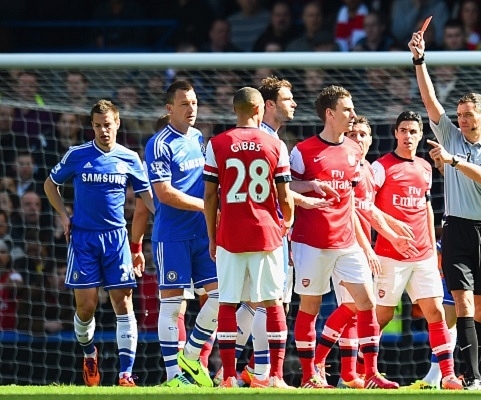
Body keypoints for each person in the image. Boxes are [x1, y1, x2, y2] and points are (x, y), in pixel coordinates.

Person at [410, 29, 481, 390]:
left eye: (469, 114)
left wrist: (452, 161)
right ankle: (472, 377)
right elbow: (429, 100)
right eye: (460, 115)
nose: (463, 120)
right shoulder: (450, 133)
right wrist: (419, 60)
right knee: (464, 304)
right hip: (456, 229)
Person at [289, 85, 398, 389]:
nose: (352, 114)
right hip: (311, 241)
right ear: (329, 114)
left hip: (347, 241)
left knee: (366, 303)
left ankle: (371, 374)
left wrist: (364, 243)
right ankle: (310, 375)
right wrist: (310, 185)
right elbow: (283, 189)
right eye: (347, 109)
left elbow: (352, 203)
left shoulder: (353, 152)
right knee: (309, 307)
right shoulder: (302, 150)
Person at [43, 99, 154, 387]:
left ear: (117, 123)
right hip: (83, 239)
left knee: (123, 302)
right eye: (97, 125)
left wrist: (167, 219)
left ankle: (125, 374)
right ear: (92, 126)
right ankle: (89, 353)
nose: (103, 130)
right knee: (86, 307)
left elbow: (148, 198)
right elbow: (49, 185)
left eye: (107, 124)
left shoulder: (130, 157)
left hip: (117, 239)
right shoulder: (77, 155)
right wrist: (65, 217)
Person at [313, 115, 417, 389]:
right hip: (345, 246)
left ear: (371, 139)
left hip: (357, 247)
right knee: (353, 306)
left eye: (363, 135)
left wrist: (393, 226)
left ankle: (349, 374)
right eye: (354, 134)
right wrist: (367, 246)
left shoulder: (368, 169)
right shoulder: (347, 168)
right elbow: (350, 213)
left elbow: (368, 209)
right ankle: (318, 364)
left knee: (356, 310)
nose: (358, 139)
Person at [203, 86, 294, 388]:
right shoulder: (275, 144)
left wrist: (212, 236)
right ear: (259, 109)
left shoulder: (217, 144)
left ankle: (228, 375)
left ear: (235, 110)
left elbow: (209, 196)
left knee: (228, 303)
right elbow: (284, 193)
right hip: (265, 233)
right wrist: (288, 222)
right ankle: (276, 376)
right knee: (272, 303)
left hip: (230, 234)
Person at [369, 111, 462, 390]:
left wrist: (433, 251)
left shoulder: (425, 167)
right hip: (390, 254)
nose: (408, 136)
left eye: (413, 131)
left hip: (423, 255)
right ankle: (364, 372)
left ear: (421, 134)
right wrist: (392, 235)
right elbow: (366, 207)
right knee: (381, 316)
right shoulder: (380, 167)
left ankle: (448, 375)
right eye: (403, 130)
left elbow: (427, 210)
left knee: (436, 312)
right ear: (395, 133)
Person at [143, 80, 218, 388]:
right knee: (172, 306)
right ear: (169, 108)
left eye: (195, 102)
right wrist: (205, 206)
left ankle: (190, 353)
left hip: (202, 234)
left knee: (219, 296)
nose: (192, 109)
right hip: (173, 235)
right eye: (185, 103)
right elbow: (164, 193)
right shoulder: (158, 144)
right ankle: (174, 377)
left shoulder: (199, 138)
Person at [404, 240, 481, 391]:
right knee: (447, 319)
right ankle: (433, 378)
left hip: (471, 243)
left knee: (480, 317)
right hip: (455, 244)